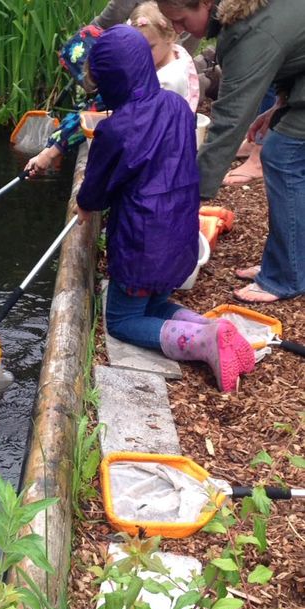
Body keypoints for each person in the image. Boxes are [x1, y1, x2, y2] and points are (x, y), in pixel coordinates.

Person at [75, 25, 255, 392]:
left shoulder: (116, 130)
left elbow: (94, 195)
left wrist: (83, 203)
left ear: (111, 81)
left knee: (124, 320)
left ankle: (203, 344)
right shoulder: (176, 106)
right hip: (181, 242)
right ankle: (211, 328)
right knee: (155, 305)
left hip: (142, 248)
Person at [157, 0, 305, 303]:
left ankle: (285, 277)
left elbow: (229, 122)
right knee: (283, 148)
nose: (179, 30)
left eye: (183, 21)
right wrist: (281, 106)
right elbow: (294, 51)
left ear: (206, 4)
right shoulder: (244, 14)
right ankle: (288, 263)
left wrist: (191, 193)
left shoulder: (249, 33)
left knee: (281, 155)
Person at [26, 3, 199, 175]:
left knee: (94, 101)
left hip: (154, 159)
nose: (141, 56)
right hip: (155, 141)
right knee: (82, 43)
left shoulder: (163, 83)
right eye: (138, 49)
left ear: (169, 37)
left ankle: (54, 148)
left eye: (149, 48)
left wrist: (50, 153)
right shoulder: (175, 55)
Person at [128, 1, 199, 112]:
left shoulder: (168, 81)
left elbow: (147, 115)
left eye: (150, 47)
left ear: (169, 36)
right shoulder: (176, 52)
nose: (142, 54)